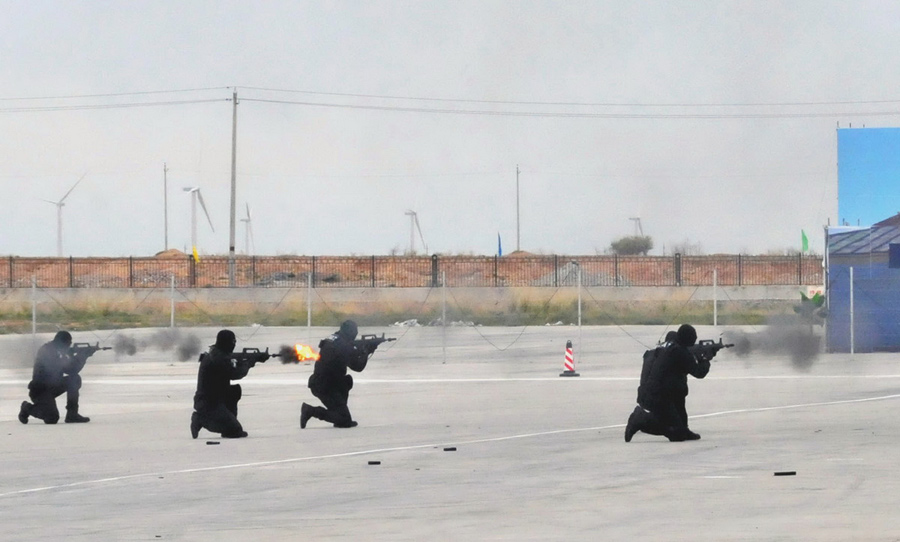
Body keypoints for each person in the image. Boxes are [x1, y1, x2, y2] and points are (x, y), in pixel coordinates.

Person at [625, 324, 710, 442]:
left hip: (656, 394)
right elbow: (699, 373)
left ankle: (684, 429)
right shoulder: (679, 352)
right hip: (659, 398)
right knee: (676, 434)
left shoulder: (665, 350)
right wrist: (705, 360)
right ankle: (639, 420)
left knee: (679, 395)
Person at [190, 329, 266, 439]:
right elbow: (236, 373)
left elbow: (232, 366)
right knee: (235, 430)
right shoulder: (217, 358)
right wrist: (249, 362)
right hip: (208, 403)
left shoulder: (218, 353)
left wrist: (251, 360)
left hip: (217, 398)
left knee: (234, 391)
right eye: (233, 342)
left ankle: (227, 424)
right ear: (226, 342)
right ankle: (200, 420)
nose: (234, 345)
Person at [300, 320, 372, 429]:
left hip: (328, 382)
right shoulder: (343, 346)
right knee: (344, 420)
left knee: (347, 381)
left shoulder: (335, 338)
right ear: (350, 333)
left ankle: (339, 413)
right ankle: (310, 411)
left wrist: (361, 351)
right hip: (325, 387)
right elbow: (358, 367)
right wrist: (367, 352)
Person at [19, 331, 91, 424]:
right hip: (40, 390)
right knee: (51, 418)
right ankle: (27, 408)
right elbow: (66, 368)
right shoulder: (47, 351)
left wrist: (82, 357)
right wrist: (80, 357)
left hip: (52, 387)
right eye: (68, 343)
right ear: (62, 343)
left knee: (74, 379)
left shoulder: (58, 351)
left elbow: (72, 371)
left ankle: (72, 414)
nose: (69, 346)